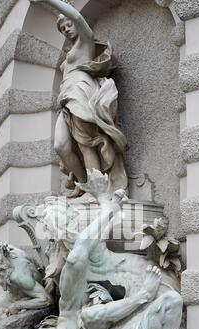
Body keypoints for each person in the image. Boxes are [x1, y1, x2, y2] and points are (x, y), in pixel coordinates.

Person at [30, 0, 128, 196]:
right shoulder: (70, 53)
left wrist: (49, 2)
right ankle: (84, 184)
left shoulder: (85, 42)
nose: (66, 29)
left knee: (86, 145)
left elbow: (76, 16)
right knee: (60, 146)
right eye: (62, 28)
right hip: (66, 101)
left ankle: (96, 193)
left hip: (81, 95)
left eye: (68, 24)